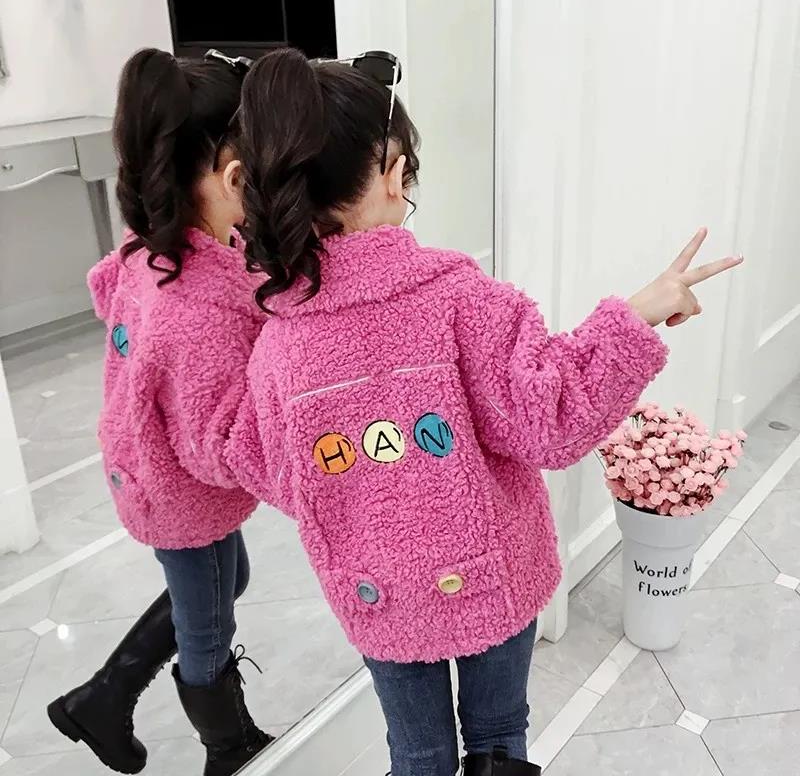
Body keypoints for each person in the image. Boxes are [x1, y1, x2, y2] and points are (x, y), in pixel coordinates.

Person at [227, 48, 743, 776]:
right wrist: (638, 314)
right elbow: (551, 419)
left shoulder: (280, 341)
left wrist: (359, 492)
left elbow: (267, 466)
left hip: (377, 594)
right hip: (492, 573)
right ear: (392, 173)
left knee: (417, 753)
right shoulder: (459, 300)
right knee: (499, 736)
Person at [47, 48, 273, 776]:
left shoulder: (155, 247)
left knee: (223, 580)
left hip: (149, 467)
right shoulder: (195, 307)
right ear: (226, 173)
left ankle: (103, 696)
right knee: (208, 623)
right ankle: (226, 745)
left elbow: (106, 290)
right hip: (179, 486)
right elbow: (219, 445)